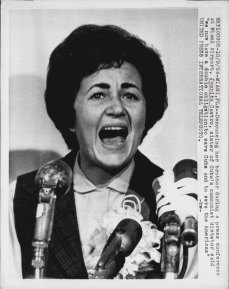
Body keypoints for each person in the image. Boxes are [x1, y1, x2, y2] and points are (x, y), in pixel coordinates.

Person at [9, 24, 197, 279]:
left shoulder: (179, 202)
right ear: (70, 116)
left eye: (130, 95)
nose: (117, 108)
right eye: (99, 95)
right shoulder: (18, 198)